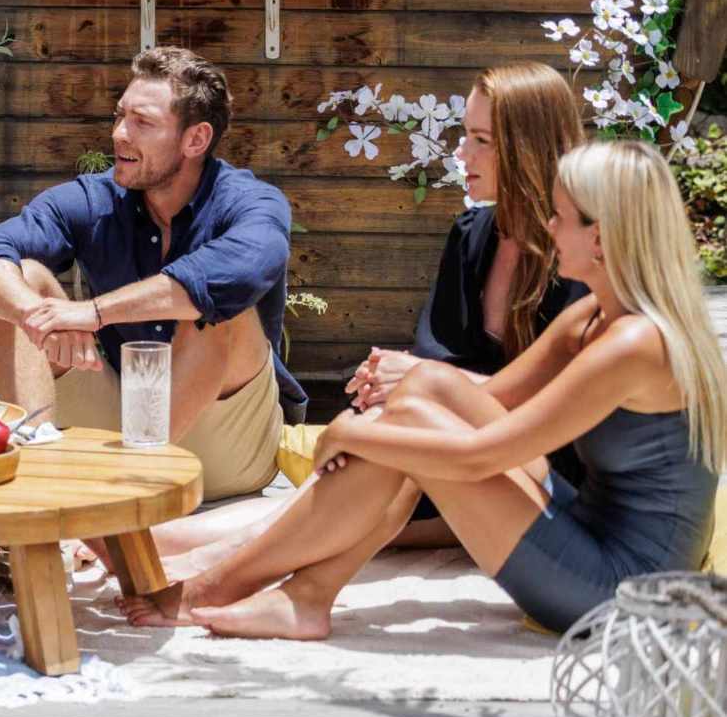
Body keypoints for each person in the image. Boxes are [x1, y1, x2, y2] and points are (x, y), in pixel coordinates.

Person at [121, 140, 725, 638]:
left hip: (621, 590)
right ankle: (307, 596)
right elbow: (490, 400)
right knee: (425, 389)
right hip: (583, 526)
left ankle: (222, 587)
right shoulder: (594, 316)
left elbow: (485, 454)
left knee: (411, 430)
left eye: (561, 216)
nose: (548, 226)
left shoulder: (634, 344)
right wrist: (400, 401)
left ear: (601, 238)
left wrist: (354, 433)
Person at [151, 61, 589, 563]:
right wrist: (389, 377)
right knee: (325, 497)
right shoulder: (472, 236)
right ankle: (173, 542)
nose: (461, 152)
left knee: (332, 503)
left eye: (481, 140)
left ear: (528, 147)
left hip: (539, 472)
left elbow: (565, 402)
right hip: (454, 454)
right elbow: (440, 360)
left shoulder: (579, 257)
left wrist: (419, 379)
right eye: (464, 133)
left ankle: (207, 550)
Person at [0, 45, 305, 505]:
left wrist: (93, 313)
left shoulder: (250, 201)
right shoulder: (94, 199)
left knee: (218, 308)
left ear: (195, 140)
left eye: (142, 122)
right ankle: (37, 466)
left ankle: (132, 486)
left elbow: (234, 272)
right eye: (120, 116)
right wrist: (36, 314)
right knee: (22, 278)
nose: (119, 133)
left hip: (225, 438)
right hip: (120, 415)